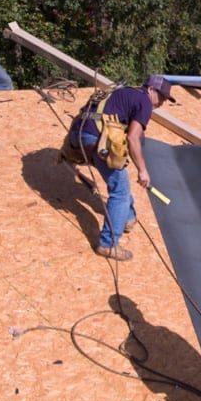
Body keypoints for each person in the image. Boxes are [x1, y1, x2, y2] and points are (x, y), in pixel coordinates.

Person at [67, 75, 176, 261]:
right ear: (150, 89)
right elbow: (133, 137)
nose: (162, 102)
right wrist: (142, 169)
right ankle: (107, 244)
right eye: (162, 97)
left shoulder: (126, 93)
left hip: (78, 136)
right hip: (95, 139)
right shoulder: (144, 102)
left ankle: (127, 218)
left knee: (120, 181)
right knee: (120, 192)